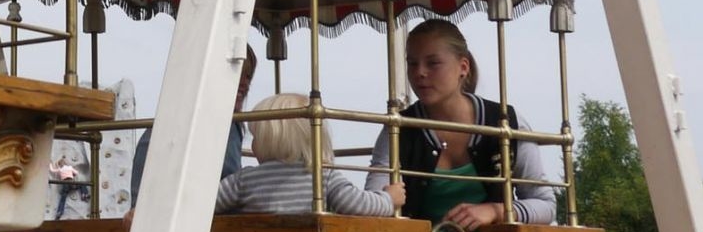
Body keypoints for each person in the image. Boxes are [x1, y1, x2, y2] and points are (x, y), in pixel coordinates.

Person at [366, 19, 556, 228]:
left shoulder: (507, 121)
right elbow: (374, 203)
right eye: (412, 63)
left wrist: (496, 210)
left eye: (432, 63)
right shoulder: (396, 129)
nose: (419, 72)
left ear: (463, 67)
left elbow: (546, 205)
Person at [215, 93, 405, 216]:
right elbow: (357, 205)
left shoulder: (244, 180)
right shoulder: (323, 176)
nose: (253, 144)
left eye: (255, 137)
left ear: (269, 141)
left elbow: (210, 203)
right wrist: (388, 199)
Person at [129, 46, 256, 202]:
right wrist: (138, 207)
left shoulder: (233, 126)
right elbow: (148, 154)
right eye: (238, 73)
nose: (244, 83)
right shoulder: (181, 116)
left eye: (248, 76)